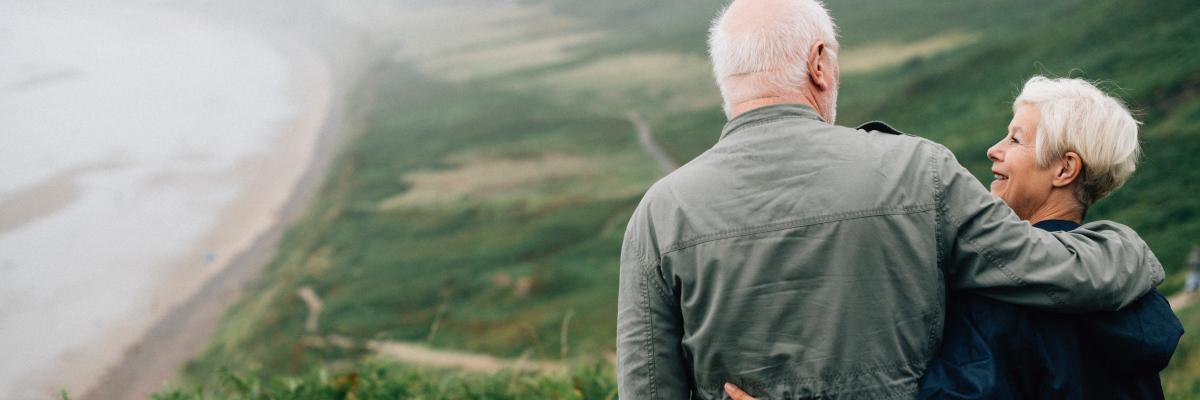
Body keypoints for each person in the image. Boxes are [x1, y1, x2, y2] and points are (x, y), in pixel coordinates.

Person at [616, 0, 1165, 398]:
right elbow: (1051, 270)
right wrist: (1130, 249)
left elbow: (648, 387)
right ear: (819, 63)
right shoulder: (919, 171)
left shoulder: (658, 214)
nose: (997, 150)